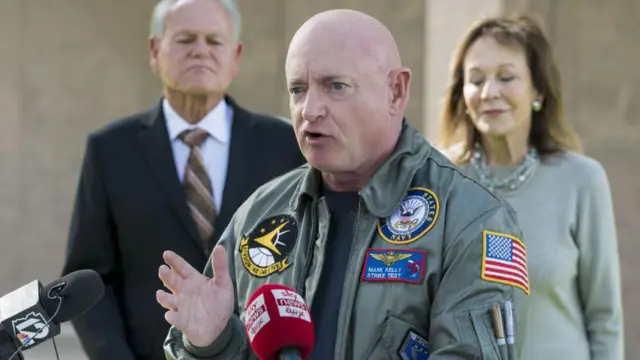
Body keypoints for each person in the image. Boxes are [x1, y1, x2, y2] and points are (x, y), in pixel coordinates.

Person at [159, 9, 531, 360]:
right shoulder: (260, 214)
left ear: (396, 92)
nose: (310, 110)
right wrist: (211, 343)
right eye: (298, 89)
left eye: (335, 86)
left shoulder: (472, 219)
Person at [60, 0, 306, 359]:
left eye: (214, 41)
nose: (200, 51)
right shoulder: (111, 150)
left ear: (236, 56)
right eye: (186, 39)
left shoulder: (284, 147)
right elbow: (90, 278)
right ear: (154, 50)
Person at [437, 13, 624, 360]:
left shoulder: (581, 179)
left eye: (506, 77)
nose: (489, 92)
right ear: (462, 95)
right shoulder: (439, 178)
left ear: (538, 89)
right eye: (475, 80)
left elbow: (605, 319)